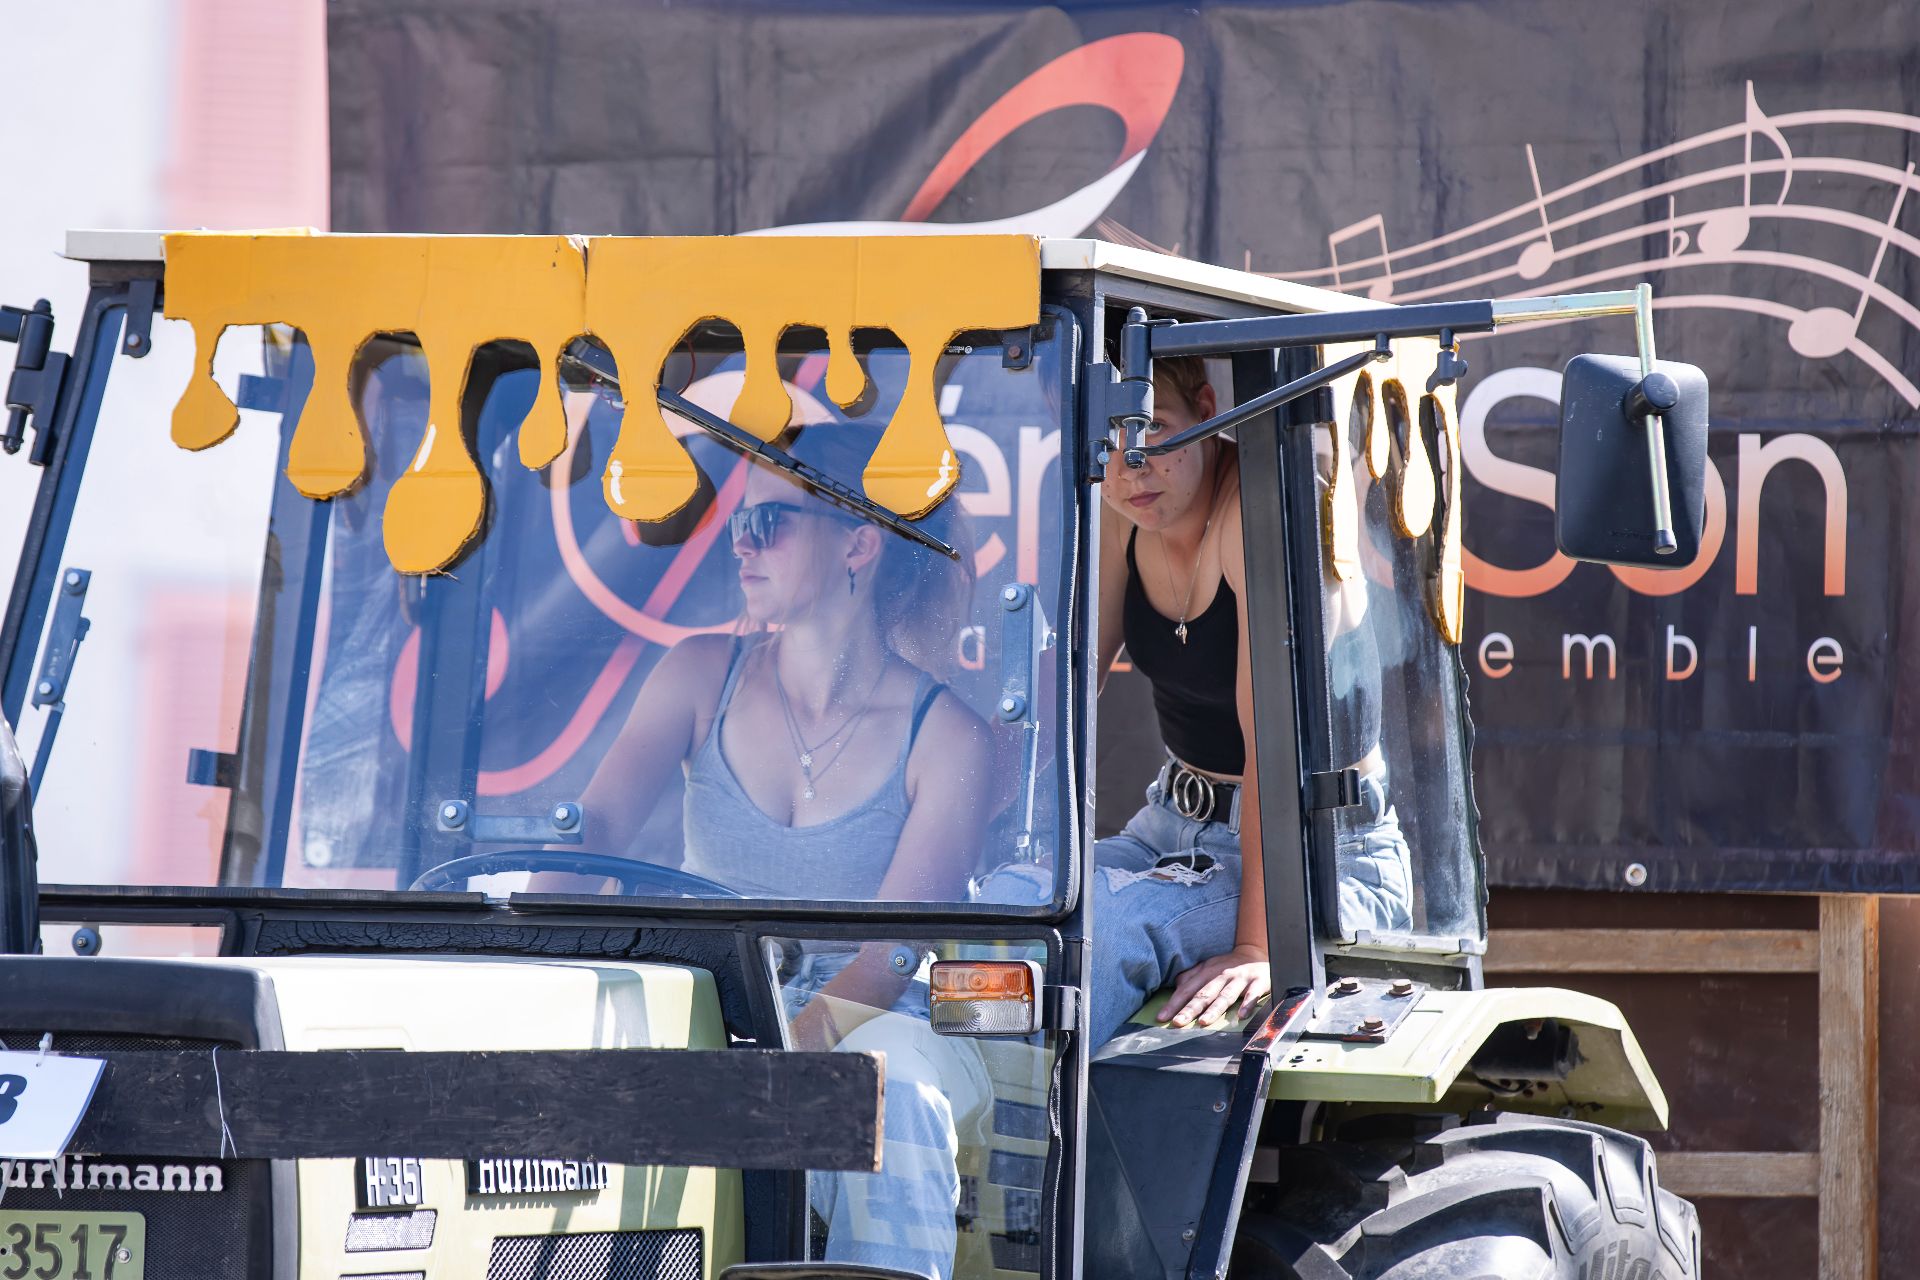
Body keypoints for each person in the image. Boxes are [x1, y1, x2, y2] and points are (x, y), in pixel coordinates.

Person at [574, 422, 991, 1280]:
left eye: (768, 523)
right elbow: (595, 834)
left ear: (859, 545)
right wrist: (528, 961)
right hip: (717, 997)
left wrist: (775, 1054)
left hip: (882, 1021)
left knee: (890, 1096)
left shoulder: (949, 735)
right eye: (739, 524)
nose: (742, 545)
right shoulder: (699, 673)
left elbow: (891, 956)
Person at [1087, 351, 1410, 1050]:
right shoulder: (1122, 505)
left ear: (1207, 411)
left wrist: (1260, 946)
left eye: (1151, 428)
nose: (1129, 467)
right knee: (1009, 906)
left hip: (1317, 856)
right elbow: (1065, 687)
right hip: (1167, 828)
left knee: (1100, 933)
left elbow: (1276, 743)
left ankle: (1021, 1120)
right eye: (1106, 438)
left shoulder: (1266, 512)